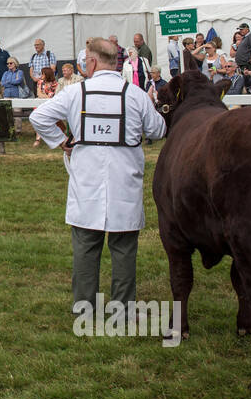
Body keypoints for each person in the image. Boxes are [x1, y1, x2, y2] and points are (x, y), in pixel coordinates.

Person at [29, 37, 167, 312]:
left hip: (86, 181)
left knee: (85, 248)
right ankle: (123, 311)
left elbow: (38, 117)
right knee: (124, 249)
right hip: (124, 181)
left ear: (91, 61)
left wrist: (61, 141)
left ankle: (84, 307)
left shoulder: (75, 93)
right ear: (116, 61)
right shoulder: (136, 94)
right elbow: (158, 130)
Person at [32, 67, 57, 147]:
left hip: (50, 105)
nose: (41, 75)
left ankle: (50, 138)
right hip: (40, 104)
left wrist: (43, 95)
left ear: (47, 74)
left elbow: (51, 96)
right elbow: (39, 94)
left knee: (47, 118)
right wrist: (44, 95)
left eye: (42, 73)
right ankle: (38, 139)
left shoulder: (54, 84)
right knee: (37, 116)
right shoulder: (40, 82)